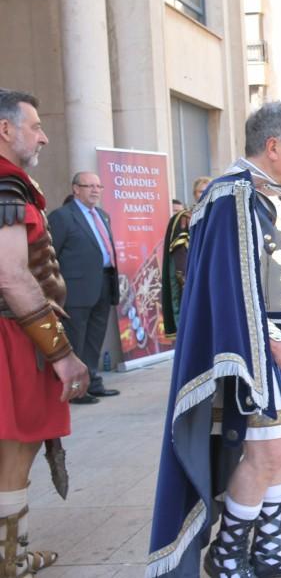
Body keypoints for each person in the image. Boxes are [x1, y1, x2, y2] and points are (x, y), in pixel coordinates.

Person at [148, 101, 281, 577]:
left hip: (272, 341)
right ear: (273, 146)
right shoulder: (233, 196)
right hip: (251, 347)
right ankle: (227, 556)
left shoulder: (266, 189)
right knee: (268, 451)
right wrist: (276, 342)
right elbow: (228, 285)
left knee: (278, 448)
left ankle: (268, 548)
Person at [0, 89, 89, 576]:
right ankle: (9, 560)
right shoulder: (5, 186)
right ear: (5, 129)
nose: (44, 136)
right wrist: (62, 354)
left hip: (15, 331)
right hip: (12, 335)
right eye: (35, 126)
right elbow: (12, 276)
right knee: (15, 448)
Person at [48, 171, 121, 404]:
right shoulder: (62, 216)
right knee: (76, 341)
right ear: (76, 189)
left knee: (94, 339)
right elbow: (51, 255)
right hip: (76, 290)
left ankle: (93, 383)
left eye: (98, 186)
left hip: (104, 283)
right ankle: (76, 390)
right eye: (89, 186)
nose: (95, 190)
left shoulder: (103, 215)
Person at [161, 175, 211, 339]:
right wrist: (185, 279)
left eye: (209, 190)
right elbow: (179, 254)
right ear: (195, 194)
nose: (205, 194)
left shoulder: (218, 215)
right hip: (194, 278)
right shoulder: (185, 218)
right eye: (201, 191)